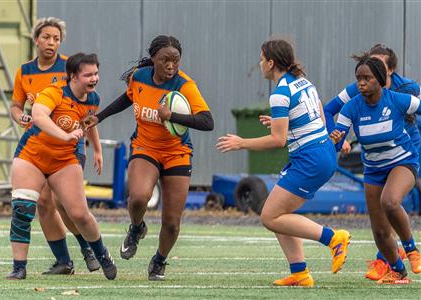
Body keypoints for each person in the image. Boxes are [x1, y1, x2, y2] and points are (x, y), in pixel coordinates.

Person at [216, 39, 350, 287]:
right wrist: (286, 122)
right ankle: (299, 273)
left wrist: (241, 142)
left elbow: (277, 140)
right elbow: (317, 114)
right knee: (279, 213)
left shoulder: (280, 93)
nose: (259, 64)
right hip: (321, 153)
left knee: (269, 216)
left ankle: (333, 238)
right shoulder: (304, 82)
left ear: (271, 62)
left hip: (309, 158)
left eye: (261, 58)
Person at [83, 35, 213, 280]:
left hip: (177, 153)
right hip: (145, 146)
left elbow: (208, 122)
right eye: (165, 60)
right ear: (153, 59)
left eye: (175, 60)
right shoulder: (139, 77)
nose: (171, 65)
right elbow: (128, 98)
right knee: (138, 198)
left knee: (172, 222)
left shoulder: (185, 85)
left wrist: (172, 116)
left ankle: (159, 261)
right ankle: (136, 227)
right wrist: (99, 117)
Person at [6, 52, 116, 280]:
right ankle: (19, 268)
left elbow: (89, 121)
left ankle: (102, 254)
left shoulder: (93, 99)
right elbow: (38, 115)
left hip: (64, 160)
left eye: (96, 73)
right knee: (22, 210)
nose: (94, 78)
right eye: (89, 74)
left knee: (79, 213)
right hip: (32, 155)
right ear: (73, 76)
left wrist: (97, 149)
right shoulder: (54, 92)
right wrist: (64, 136)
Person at [324, 44, 421, 280]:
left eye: (367, 78)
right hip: (374, 169)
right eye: (358, 78)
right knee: (379, 230)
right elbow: (339, 135)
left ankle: (412, 249)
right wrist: (336, 140)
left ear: (380, 79)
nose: (361, 83)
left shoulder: (398, 99)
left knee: (390, 201)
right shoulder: (352, 107)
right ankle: (398, 270)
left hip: (403, 162)